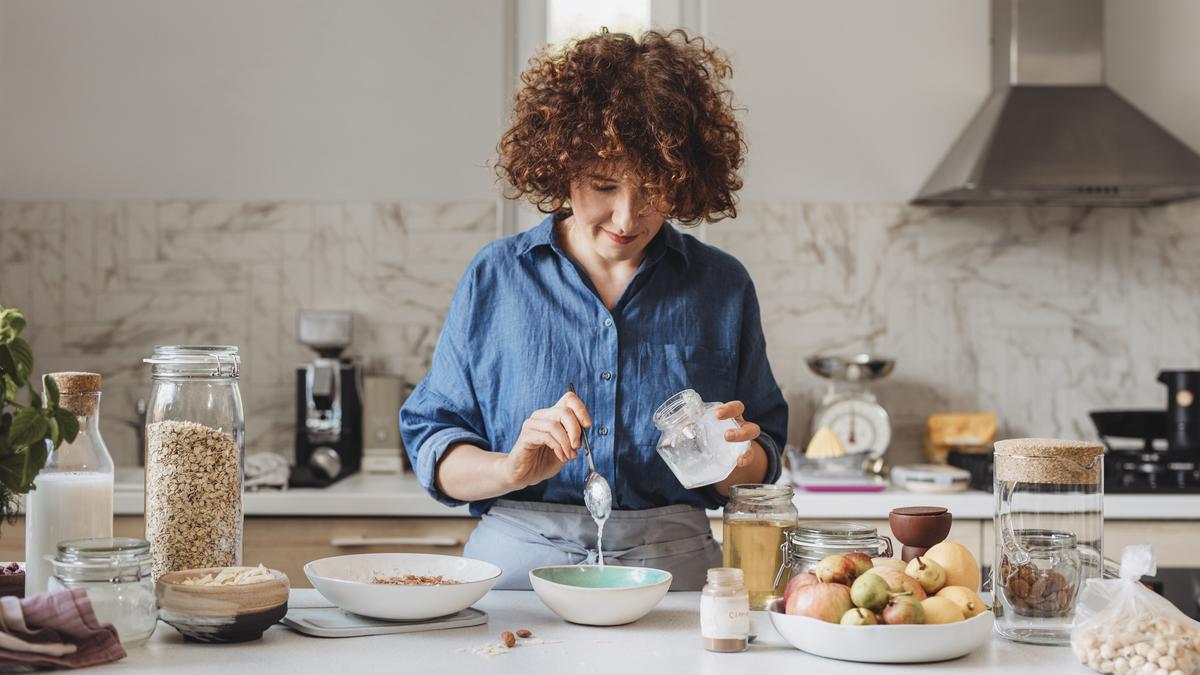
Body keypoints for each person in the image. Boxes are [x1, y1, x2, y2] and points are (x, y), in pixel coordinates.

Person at [401, 29, 787, 590]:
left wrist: (737, 460)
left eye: (653, 188)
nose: (627, 218)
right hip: (517, 564)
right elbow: (435, 444)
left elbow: (763, 461)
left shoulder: (721, 285)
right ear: (561, 169)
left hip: (674, 564)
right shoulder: (497, 276)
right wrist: (509, 467)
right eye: (603, 185)